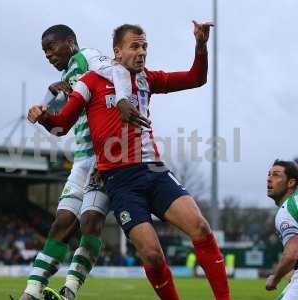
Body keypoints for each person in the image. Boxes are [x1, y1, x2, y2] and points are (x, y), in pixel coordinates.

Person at [29, 22, 231, 300]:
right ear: (117, 51)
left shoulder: (147, 78)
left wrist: (200, 45)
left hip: (154, 171)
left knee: (201, 228)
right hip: (121, 183)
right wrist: (43, 116)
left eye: (144, 46)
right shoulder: (90, 82)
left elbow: (196, 78)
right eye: (134, 46)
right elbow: (61, 126)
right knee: (152, 255)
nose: (142, 52)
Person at [20, 24, 131, 300]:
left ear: (69, 42)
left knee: (90, 222)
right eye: (44, 51)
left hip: (104, 157)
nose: (47, 55)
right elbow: (60, 128)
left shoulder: (89, 57)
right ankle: (31, 292)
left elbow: (117, 77)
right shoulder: (64, 76)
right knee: (61, 223)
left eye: (51, 47)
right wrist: (42, 114)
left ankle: (69, 290)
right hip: (82, 160)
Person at [266, 160, 298, 299]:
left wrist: (275, 278)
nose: (269, 178)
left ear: (291, 183)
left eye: (276, 175)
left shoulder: (287, 209)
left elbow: (292, 253)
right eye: (269, 174)